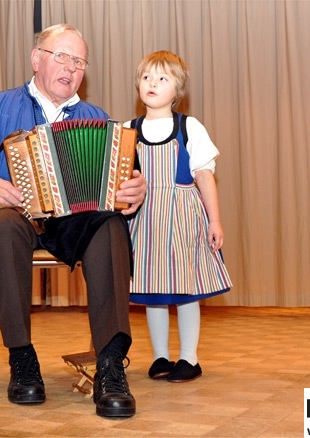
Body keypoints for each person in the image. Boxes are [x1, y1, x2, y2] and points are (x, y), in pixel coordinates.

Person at [0, 24, 146, 418]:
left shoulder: (96, 118)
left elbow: (118, 187)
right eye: (62, 56)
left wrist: (134, 191)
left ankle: (110, 365)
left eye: (79, 62)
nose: (71, 68)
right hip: (13, 218)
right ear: (37, 59)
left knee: (109, 225)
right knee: (2, 224)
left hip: (71, 224)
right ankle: (22, 358)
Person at [125, 50, 232, 383]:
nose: (152, 83)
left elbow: (204, 176)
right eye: (146, 77)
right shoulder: (128, 130)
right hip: (144, 221)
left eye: (162, 78)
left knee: (185, 291)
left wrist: (215, 220)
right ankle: (160, 356)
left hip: (182, 219)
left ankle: (189, 357)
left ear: (178, 90)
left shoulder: (189, 127)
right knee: (153, 293)